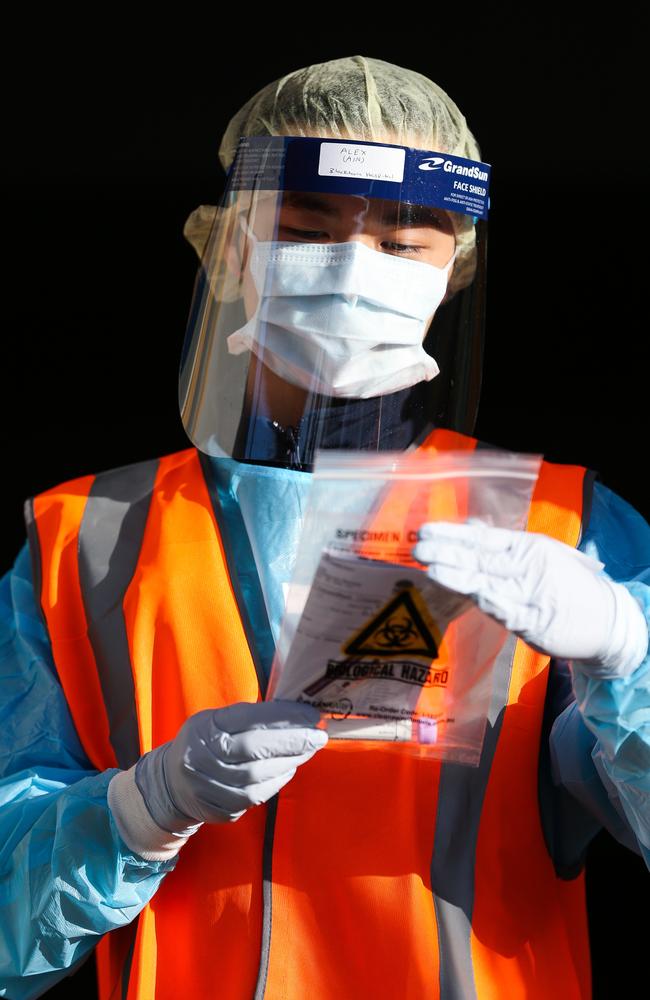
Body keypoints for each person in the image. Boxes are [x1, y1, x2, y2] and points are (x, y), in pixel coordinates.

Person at [1, 54, 649, 1000]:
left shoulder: (564, 526)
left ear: (456, 267)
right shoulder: (83, 540)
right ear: (228, 248)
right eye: (306, 230)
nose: (353, 271)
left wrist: (629, 657)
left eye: (405, 242)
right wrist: (145, 807)